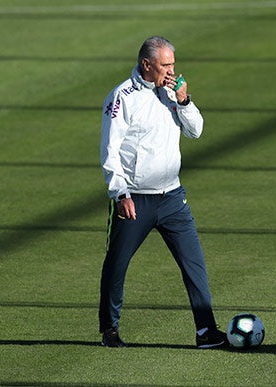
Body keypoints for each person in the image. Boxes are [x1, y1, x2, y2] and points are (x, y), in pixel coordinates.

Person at [99, 36, 228, 349]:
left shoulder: (172, 90)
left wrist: (183, 100)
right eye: (165, 65)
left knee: (194, 264)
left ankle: (206, 332)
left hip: (172, 198)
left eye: (173, 64)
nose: (172, 70)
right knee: (117, 265)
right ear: (147, 64)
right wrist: (120, 193)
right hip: (135, 200)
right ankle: (110, 330)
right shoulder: (122, 97)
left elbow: (196, 130)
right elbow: (110, 149)